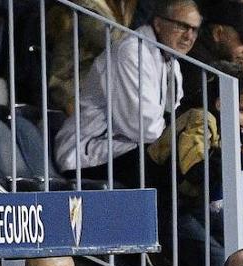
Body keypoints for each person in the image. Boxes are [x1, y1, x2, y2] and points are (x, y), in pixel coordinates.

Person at [54, 0, 198, 185]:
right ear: (159, 23)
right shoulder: (131, 51)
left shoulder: (172, 64)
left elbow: (171, 118)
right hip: (85, 152)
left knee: (191, 163)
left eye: (194, 29)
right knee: (168, 165)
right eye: (182, 26)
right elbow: (142, 127)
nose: (189, 36)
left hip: (126, 147)